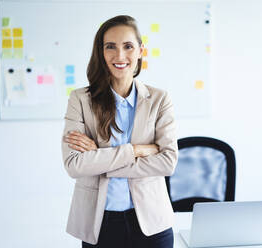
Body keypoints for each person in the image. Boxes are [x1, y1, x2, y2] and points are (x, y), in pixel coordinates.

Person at [61, 15, 178, 248]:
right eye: (110, 47)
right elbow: (74, 165)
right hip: (100, 224)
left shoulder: (159, 99)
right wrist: (135, 150)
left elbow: (167, 161)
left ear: (140, 51)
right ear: (101, 52)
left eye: (128, 46)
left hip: (152, 224)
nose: (120, 56)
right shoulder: (80, 100)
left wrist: (101, 160)